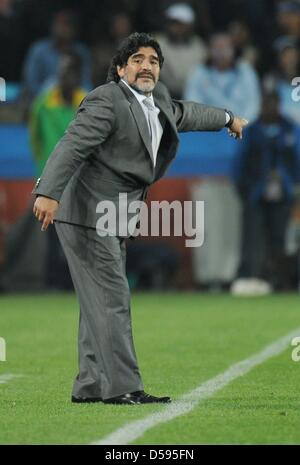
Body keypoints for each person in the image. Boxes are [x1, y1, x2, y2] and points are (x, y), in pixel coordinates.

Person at [32, 32, 248, 405]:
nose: (146, 65)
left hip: (114, 214)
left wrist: (228, 118)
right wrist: (48, 192)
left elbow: (188, 113)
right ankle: (123, 387)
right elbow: (72, 144)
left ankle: (91, 384)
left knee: (97, 302)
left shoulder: (158, 100)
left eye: (153, 60)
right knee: (113, 297)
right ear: (119, 69)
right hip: (86, 213)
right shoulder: (107, 100)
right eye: (137, 59)